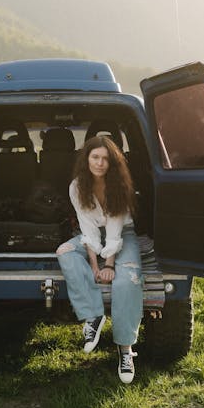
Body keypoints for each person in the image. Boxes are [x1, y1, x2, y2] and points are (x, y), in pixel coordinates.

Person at [56, 135, 143, 383]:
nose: (100, 163)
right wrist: (95, 266)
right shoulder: (76, 186)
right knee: (65, 251)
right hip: (93, 236)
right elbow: (87, 230)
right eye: (95, 157)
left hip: (122, 235)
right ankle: (93, 315)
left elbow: (115, 229)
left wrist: (109, 265)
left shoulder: (120, 186)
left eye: (105, 159)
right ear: (87, 159)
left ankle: (125, 350)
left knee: (127, 281)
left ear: (112, 163)